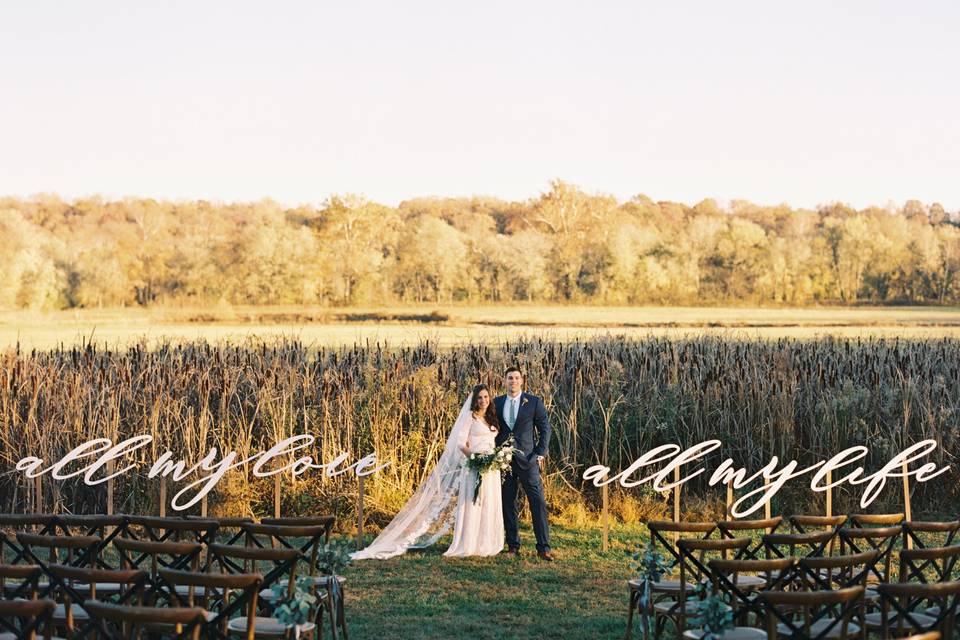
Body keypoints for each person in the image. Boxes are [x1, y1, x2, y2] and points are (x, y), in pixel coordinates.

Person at [494, 366, 554, 560]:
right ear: (504, 381)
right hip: (504, 462)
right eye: (510, 378)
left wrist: (540, 453)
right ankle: (513, 545)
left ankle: (543, 547)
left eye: (516, 378)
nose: (513, 381)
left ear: (522, 381)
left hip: (528, 461)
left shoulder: (534, 402)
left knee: (537, 502)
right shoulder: (497, 402)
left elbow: (545, 428)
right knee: (508, 503)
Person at [443, 384, 504, 557]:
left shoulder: (492, 417)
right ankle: (469, 543)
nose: (483, 400)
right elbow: (461, 442)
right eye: (480, 398)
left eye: (486, 397)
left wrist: (494, 459)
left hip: (491, 468)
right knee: (473, 501)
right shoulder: (470, 417)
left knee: (488, 502)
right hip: (474, 466)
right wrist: (475, 459)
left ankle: (486, 542)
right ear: (475, 400)